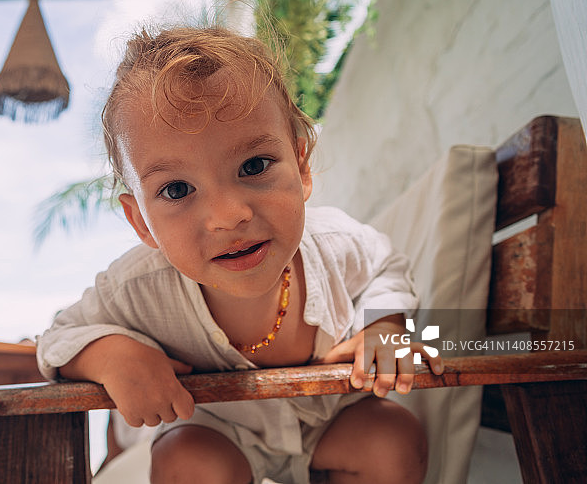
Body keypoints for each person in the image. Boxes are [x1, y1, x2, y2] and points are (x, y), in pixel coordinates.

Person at [36, 25, 443, 484]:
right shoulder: (138, 288)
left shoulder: (336, 245)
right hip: (219, 435)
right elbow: (57, 339)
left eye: (253, 166)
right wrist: (109, 356)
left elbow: (386, 266)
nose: (227, 216)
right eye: (176, 189)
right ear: (140, 222)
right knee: (187, 459)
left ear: (302, 166)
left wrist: (384, 325)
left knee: (393, 438)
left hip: (331, 424)